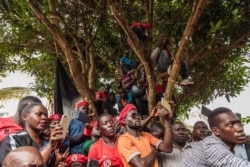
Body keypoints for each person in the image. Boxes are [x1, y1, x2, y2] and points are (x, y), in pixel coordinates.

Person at [180, 107, 250, 167]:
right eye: (230, 125)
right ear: (216, 131)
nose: (240, 129)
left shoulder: (226, 145)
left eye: (239, 123)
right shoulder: (211, 145)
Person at [0, 102, 63, 166]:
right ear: (25, 117)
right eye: (39, 114)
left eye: (46, 115)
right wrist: (50, 146)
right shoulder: (13, 139)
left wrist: (56, 162)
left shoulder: (46, 141)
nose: (44, 117)